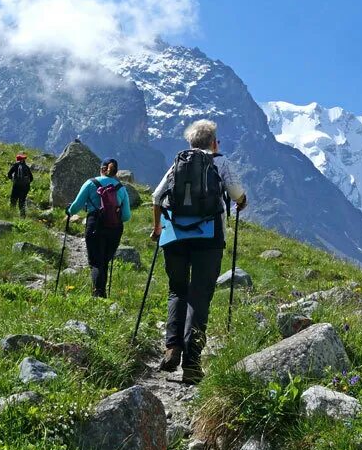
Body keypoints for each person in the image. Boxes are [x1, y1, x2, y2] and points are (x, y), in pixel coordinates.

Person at [151, 119, 247, 384]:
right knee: (200, 296)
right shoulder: (221, 163)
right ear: (214, 143)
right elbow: (237, 193)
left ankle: (172, 348)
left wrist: (157, 227)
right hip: (209, 237)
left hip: (175, 237)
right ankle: (192, 363)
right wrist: (242, 202)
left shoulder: (178, 163)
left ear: (190, 143)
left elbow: (157, 197)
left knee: (177, 290)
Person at [68, 158, 131, 299]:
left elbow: (76, 206)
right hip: (115, 228)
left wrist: (69, 211)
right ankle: (102, 294)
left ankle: (98, 295)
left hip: (95, 224)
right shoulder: (121, 188)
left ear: (102, 169)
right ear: (115, 172)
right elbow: (126, 216)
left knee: (96, 262)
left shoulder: (91, 183)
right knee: (104, 261)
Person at [7, 153, 34, 217]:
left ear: (17, 159)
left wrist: (13, 179)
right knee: (22, 202)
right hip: (25, 187)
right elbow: (31, 178)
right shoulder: (26, 167)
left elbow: (9, 174)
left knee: (13, 200)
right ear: (23, 160)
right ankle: (22, 216)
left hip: (16, 186)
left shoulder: (15, 165)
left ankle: (11, 214)